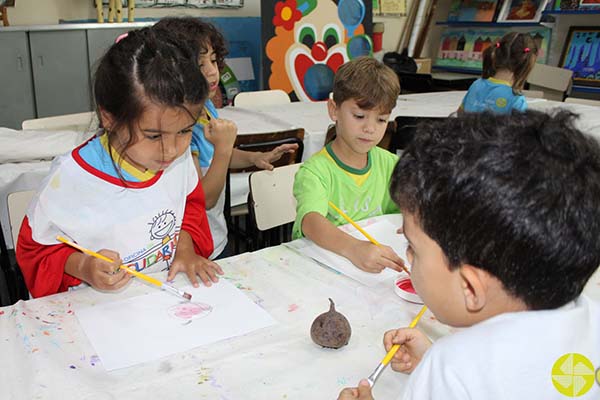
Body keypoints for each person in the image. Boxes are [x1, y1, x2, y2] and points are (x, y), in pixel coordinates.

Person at [338, 110, 600, 399]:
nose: (408, 258)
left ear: (470, 287)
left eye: (413, 248)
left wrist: (442, 371)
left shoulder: (451, 369)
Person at [16, 28, 222, 298]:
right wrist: (84, 266)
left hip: (159, 304)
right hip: (95, 311)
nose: (172, 149)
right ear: (109, 118)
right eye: (153, 135)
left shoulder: (179, 161)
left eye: (185, 131)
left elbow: (189, 210)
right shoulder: (71, 178)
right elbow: (35, 251)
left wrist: (185, 249)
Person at [153, 17, 298, 259]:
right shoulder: (177, 128)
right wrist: (223, 148)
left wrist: (255, 157)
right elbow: (205, 199)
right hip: (188, 250)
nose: (213, 71)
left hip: (215, 237)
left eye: (213, 60)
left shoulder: (206, 107)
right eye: (200, 65)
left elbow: (219, 157)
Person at [292, 57, 405, 273]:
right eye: (360, 116)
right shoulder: (315, 172)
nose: (370, 128)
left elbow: (412, 202)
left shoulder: (390, 164)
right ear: (334, 110)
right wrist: (354, 249)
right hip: (322, 270)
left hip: (372, 273)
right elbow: (311, 221)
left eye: (381, 120)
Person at [459, 32, 538, 114]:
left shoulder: (476, 85)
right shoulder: (516, 100)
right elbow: (520, 126)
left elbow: (460, 113)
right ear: (526, 65)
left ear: (495, 55)